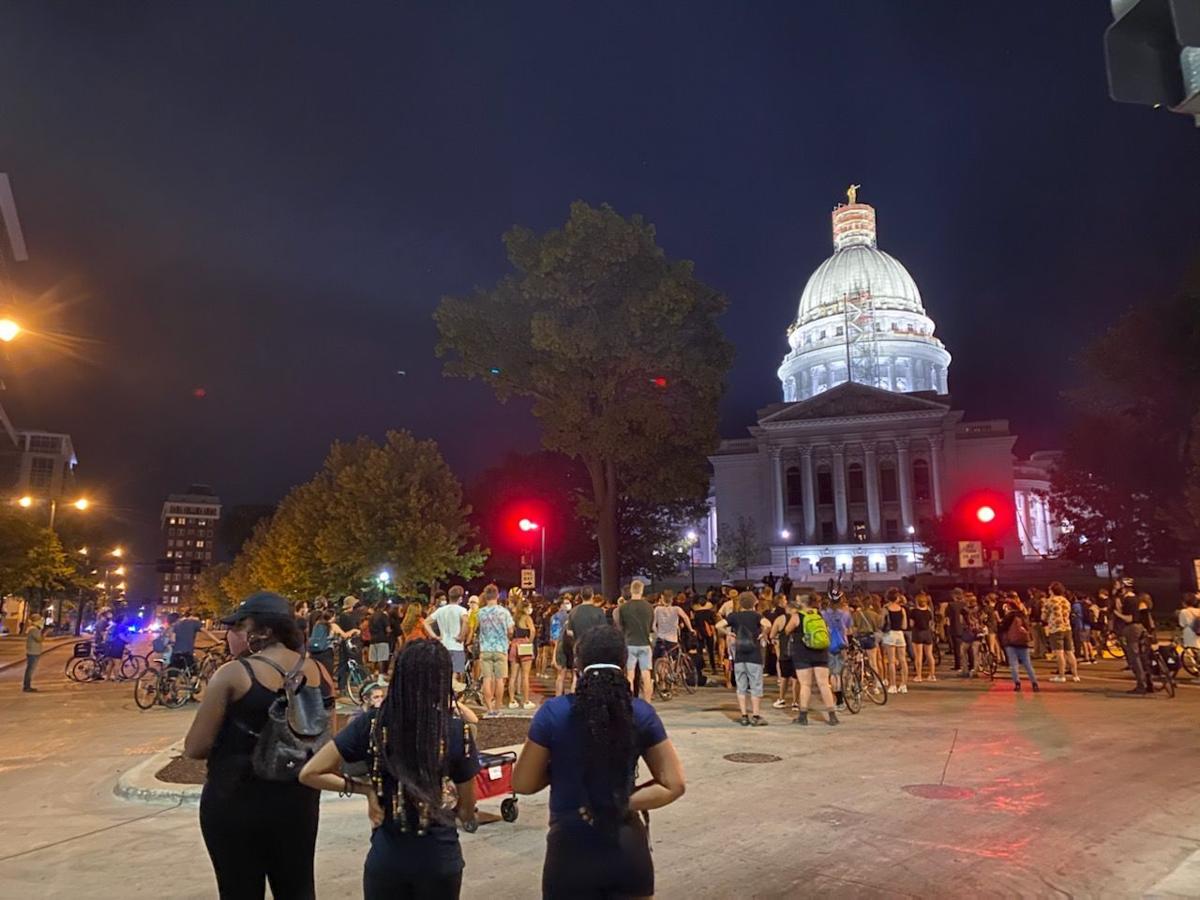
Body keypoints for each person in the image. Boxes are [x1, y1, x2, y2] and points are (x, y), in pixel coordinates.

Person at [512, 626, 686, 900]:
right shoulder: (640, 713)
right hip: (627, 847)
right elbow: (673, 784)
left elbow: (522, 783)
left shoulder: (554, 714)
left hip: (570, 850)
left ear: (578, 665)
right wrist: (619, 802)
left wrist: (559, 763)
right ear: (623, 663)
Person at [300, 640, 478, 899]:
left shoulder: (372, 725)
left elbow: (310, 773)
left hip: (387, 861)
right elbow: (466, 810)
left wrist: (366, 790)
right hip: (439, 860)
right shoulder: (453, 731)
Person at [184, 592, 334, 900]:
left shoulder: (234, 674)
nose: (230, 634)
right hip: (298, 803)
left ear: (262, 632)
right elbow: (326, 741)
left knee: (239, 889)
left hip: (235, 801)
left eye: (238, 626)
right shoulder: (319, 672)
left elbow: (195, 747)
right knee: (298, 888)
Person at [785, 594, 839, 726]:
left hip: (802, 653)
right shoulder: (819, 615)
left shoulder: (797, 616)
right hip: (820, 652)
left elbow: (787, 630)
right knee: (824, 684)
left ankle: (803, 716)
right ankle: (832, 715)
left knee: (805, 685)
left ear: (802, 603)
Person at [721, 591, 770, 726]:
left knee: (741, 687)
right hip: (754, 656)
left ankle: (743, 716)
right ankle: (756, 715)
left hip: (739, 656)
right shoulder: (756, 616)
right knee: (756, 686)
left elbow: (718, 625)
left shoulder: (733, 616)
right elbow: (768, 624)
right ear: (754, 603)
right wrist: (763, 633)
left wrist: (729, 633)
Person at [476, 585, 515, 717]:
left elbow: (477, 628)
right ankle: (498, 709)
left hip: (485, 649)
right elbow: (510, 630)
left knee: (487, 679)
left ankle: (489, 709)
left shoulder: (480, 613)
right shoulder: (504, 612)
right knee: (500, 679)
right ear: (497, 596)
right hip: (500, 649)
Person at [613, 578, 655, 701]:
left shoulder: (624, 608)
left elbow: (621, 626)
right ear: (642, 591)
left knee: (630, 675)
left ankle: (630, 702)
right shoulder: (649, 607)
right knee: (646, 674)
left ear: (631, 591)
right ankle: (647, 702)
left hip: (630, 643)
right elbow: (651, 626)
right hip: (645, 643)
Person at [998, 599, 1040, 692]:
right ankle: (1034, 683)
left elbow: (1002, 628)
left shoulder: (1009, 616)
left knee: (1013, 664)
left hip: (1010, 642)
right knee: (1028, 664)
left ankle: (1017, 684)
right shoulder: (1022, 615)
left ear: (1009, 606)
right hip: (1023, 642)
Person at [1112, 588, 1149, 694]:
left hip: (1132, 628)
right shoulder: (1140, 599)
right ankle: (1149, 682)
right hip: (1142, 629)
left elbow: (1129, 618)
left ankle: (1141, 685)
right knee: (1143, 656)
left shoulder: (1129, 600)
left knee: (1134, 657)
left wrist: (1117, 613)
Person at [428, 586, 469, 679]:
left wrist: (434, 636)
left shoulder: (440, 610)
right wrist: (462, 636)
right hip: (457, 647)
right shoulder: (462, 610)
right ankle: (453, 691)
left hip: (443, 645)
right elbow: (466, 621)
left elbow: (426, 622)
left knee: (442, 672)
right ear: (459, 598)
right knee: (457, 673)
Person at [1043, 582, 1080, 684]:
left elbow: (1044, 616)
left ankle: (1061, 675)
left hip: (1055, 628)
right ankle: (1075, 675)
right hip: (1067, 627)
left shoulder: (1050, 601)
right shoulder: (1066, 601)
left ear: (1052, 590)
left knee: (1059, 653)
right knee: (1069, 652)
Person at [821, 594, 852, 710]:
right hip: (842, 645)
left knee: (832, 674)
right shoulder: (845, 614)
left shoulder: (823, 614)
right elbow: (849, 630)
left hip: (828, 645)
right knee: (840, 674)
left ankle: (836, 700)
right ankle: (841, 700)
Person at [508, 598, 537, 710]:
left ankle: (511, 701)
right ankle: (525, 701)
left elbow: (509, 632)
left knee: (513, 675)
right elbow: (533, 630)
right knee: (525, 675)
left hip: (514, 644)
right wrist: (529, 641)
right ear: (525, 608)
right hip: (524, 644)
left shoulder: (513, 618)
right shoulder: (527, 618)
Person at [881, 589, 909, 694]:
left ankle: (893, 685)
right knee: (903, 660)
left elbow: (881, 623)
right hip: (900, 634)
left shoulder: (885, 609)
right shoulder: (902, 609)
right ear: (897, 598)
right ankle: (903, 684)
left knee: (891, 661)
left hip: (889, 634)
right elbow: (904, 625)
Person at [168, 609, 214, 673]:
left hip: (176, 653)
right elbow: (207, 633)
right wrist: (218, 641)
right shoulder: (195, 623)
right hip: (187, 653)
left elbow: (173, 639)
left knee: (173, 673)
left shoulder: (177, 624)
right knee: (192, 672)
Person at [651, 590, 693, 660]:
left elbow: (653, 625)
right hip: (672, 639)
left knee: (656, 659)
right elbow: (685, 617)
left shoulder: (657, 609)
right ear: (672, 599)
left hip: (661, 638)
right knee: (673, 659)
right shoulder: (676, 609)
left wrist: (658, 633)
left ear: (662, 598)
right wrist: (691, 629)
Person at [909, 593, 936, 683]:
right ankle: (932, 675)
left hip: (917, 633)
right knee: (929, 655)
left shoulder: (913, 611)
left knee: (918, 656)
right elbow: (930, 623)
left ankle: (919, 676)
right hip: (927, 633)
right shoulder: (928, 611)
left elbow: (911, 624)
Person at [691, 590, 719, 672]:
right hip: (709, 632)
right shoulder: (709, 612)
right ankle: (713, 668)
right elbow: (712, 624)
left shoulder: (696, 613)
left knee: (700, 651)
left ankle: (700, 667)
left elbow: (694, 624)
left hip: (700, 633)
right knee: (711, 651)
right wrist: (714, 634)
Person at [368, 601, 393, 677]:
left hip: (373, 639)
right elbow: (388, 629)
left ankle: (372, 675)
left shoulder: (371, 616)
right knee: (381, 659)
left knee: (373, 659)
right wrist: (389, 634)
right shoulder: (383, 616)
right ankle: (380, 678)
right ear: (384, 607)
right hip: (382, 639)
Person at [22, 617, 44, 692]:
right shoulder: (34, 629)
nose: (41, 622)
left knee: (29, 669)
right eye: (40, 621)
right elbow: (39, 639)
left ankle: (27, 686)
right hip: (33, 652)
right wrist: (46, 633)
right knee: (30, 670)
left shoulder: (32, 629)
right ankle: (27, 686)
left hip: (32, 651)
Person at [1179, 593, 1200, 658]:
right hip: (1198, 630)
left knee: (1190, 648)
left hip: (1189, 631)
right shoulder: (1198, 611)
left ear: (1184, 602)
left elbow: (1181, 624)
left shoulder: (1183, 612)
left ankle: (1195, 663)